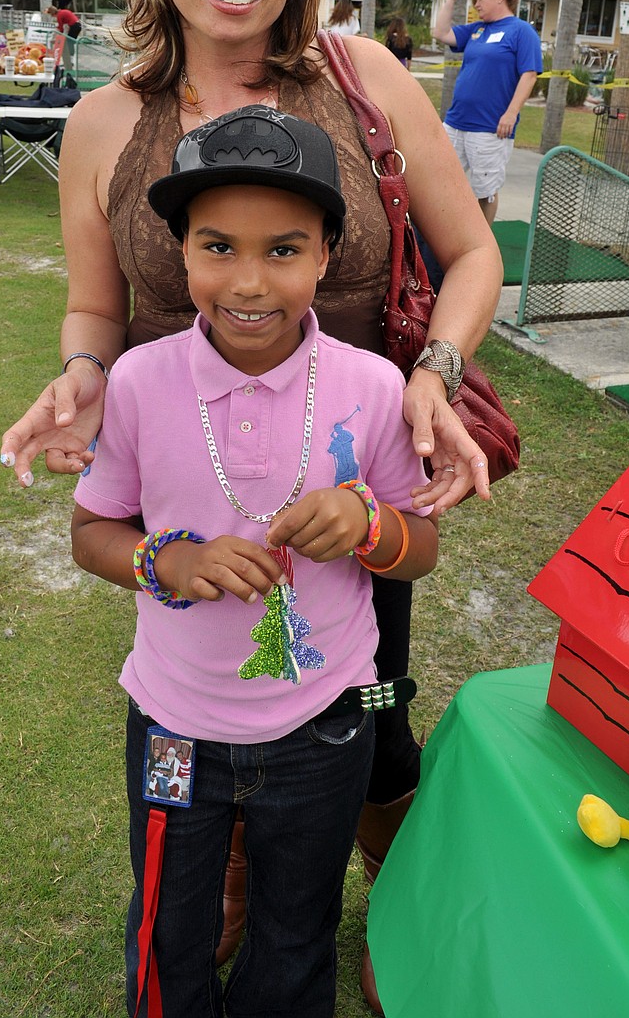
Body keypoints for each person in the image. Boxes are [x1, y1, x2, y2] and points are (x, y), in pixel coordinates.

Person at [0, 0, 502, 1012]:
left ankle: (394, 915)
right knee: (209, 714)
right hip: (188, 480)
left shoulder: (362, 77)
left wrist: (432, 372)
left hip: (352, 460)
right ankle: (209, 910)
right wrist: (81, 373)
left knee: (369, 719)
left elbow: (472, 252)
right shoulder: (109, 121)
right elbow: (95, 309)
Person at [71, 106, 440, 1017]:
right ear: (179, 251)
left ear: (325, 253)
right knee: (169, 921)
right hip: (173, 727)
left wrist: (365, 524)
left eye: (282, 250)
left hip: (324, 727)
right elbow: (91, 532)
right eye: (217, 246)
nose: (248, 281)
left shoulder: (372, 385)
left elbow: (419, 549)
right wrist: (169, 561)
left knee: (295, 924)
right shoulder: (139, 382)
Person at [432, 0, 542, 225]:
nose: (476, 4)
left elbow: (530, 74)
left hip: (489, 129)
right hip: (455, 122)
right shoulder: (477, 30)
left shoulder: (522, 32)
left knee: (485, 191)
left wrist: (511, 113)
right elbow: (440, 32)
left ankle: (483, 247)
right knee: (439, 181)